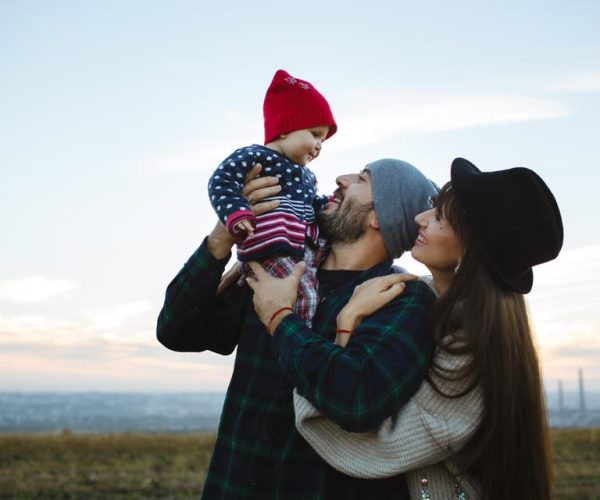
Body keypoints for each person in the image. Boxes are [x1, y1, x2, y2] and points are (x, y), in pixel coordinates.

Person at [268, 158, 564, 499]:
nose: (420, 219)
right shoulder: (421, 294)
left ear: (469, 250)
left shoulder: (473, 344)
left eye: (438, 217)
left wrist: (336, 325)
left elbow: (375, 445)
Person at [157, 158, 438, 499]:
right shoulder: (280, 265)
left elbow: (359, 401)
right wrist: (221, 237)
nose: (341, 178)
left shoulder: (402, 298)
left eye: (362, 179)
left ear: (380, 217)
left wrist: (280, 317)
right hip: (232, 485)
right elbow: (176, 331)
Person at [207, 69, 337, 326]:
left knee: (311, 288)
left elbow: (311, 203)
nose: (320, 145)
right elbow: (221, 181)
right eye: (315, 134)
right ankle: (298, 341)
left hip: (298, 250)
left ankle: (299, 338)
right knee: (305, 297)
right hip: (270, 247)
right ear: (286, 128)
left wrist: (327, 203)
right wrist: (236, 213)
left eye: (323, 139)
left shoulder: (307, 175)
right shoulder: (256, 156)